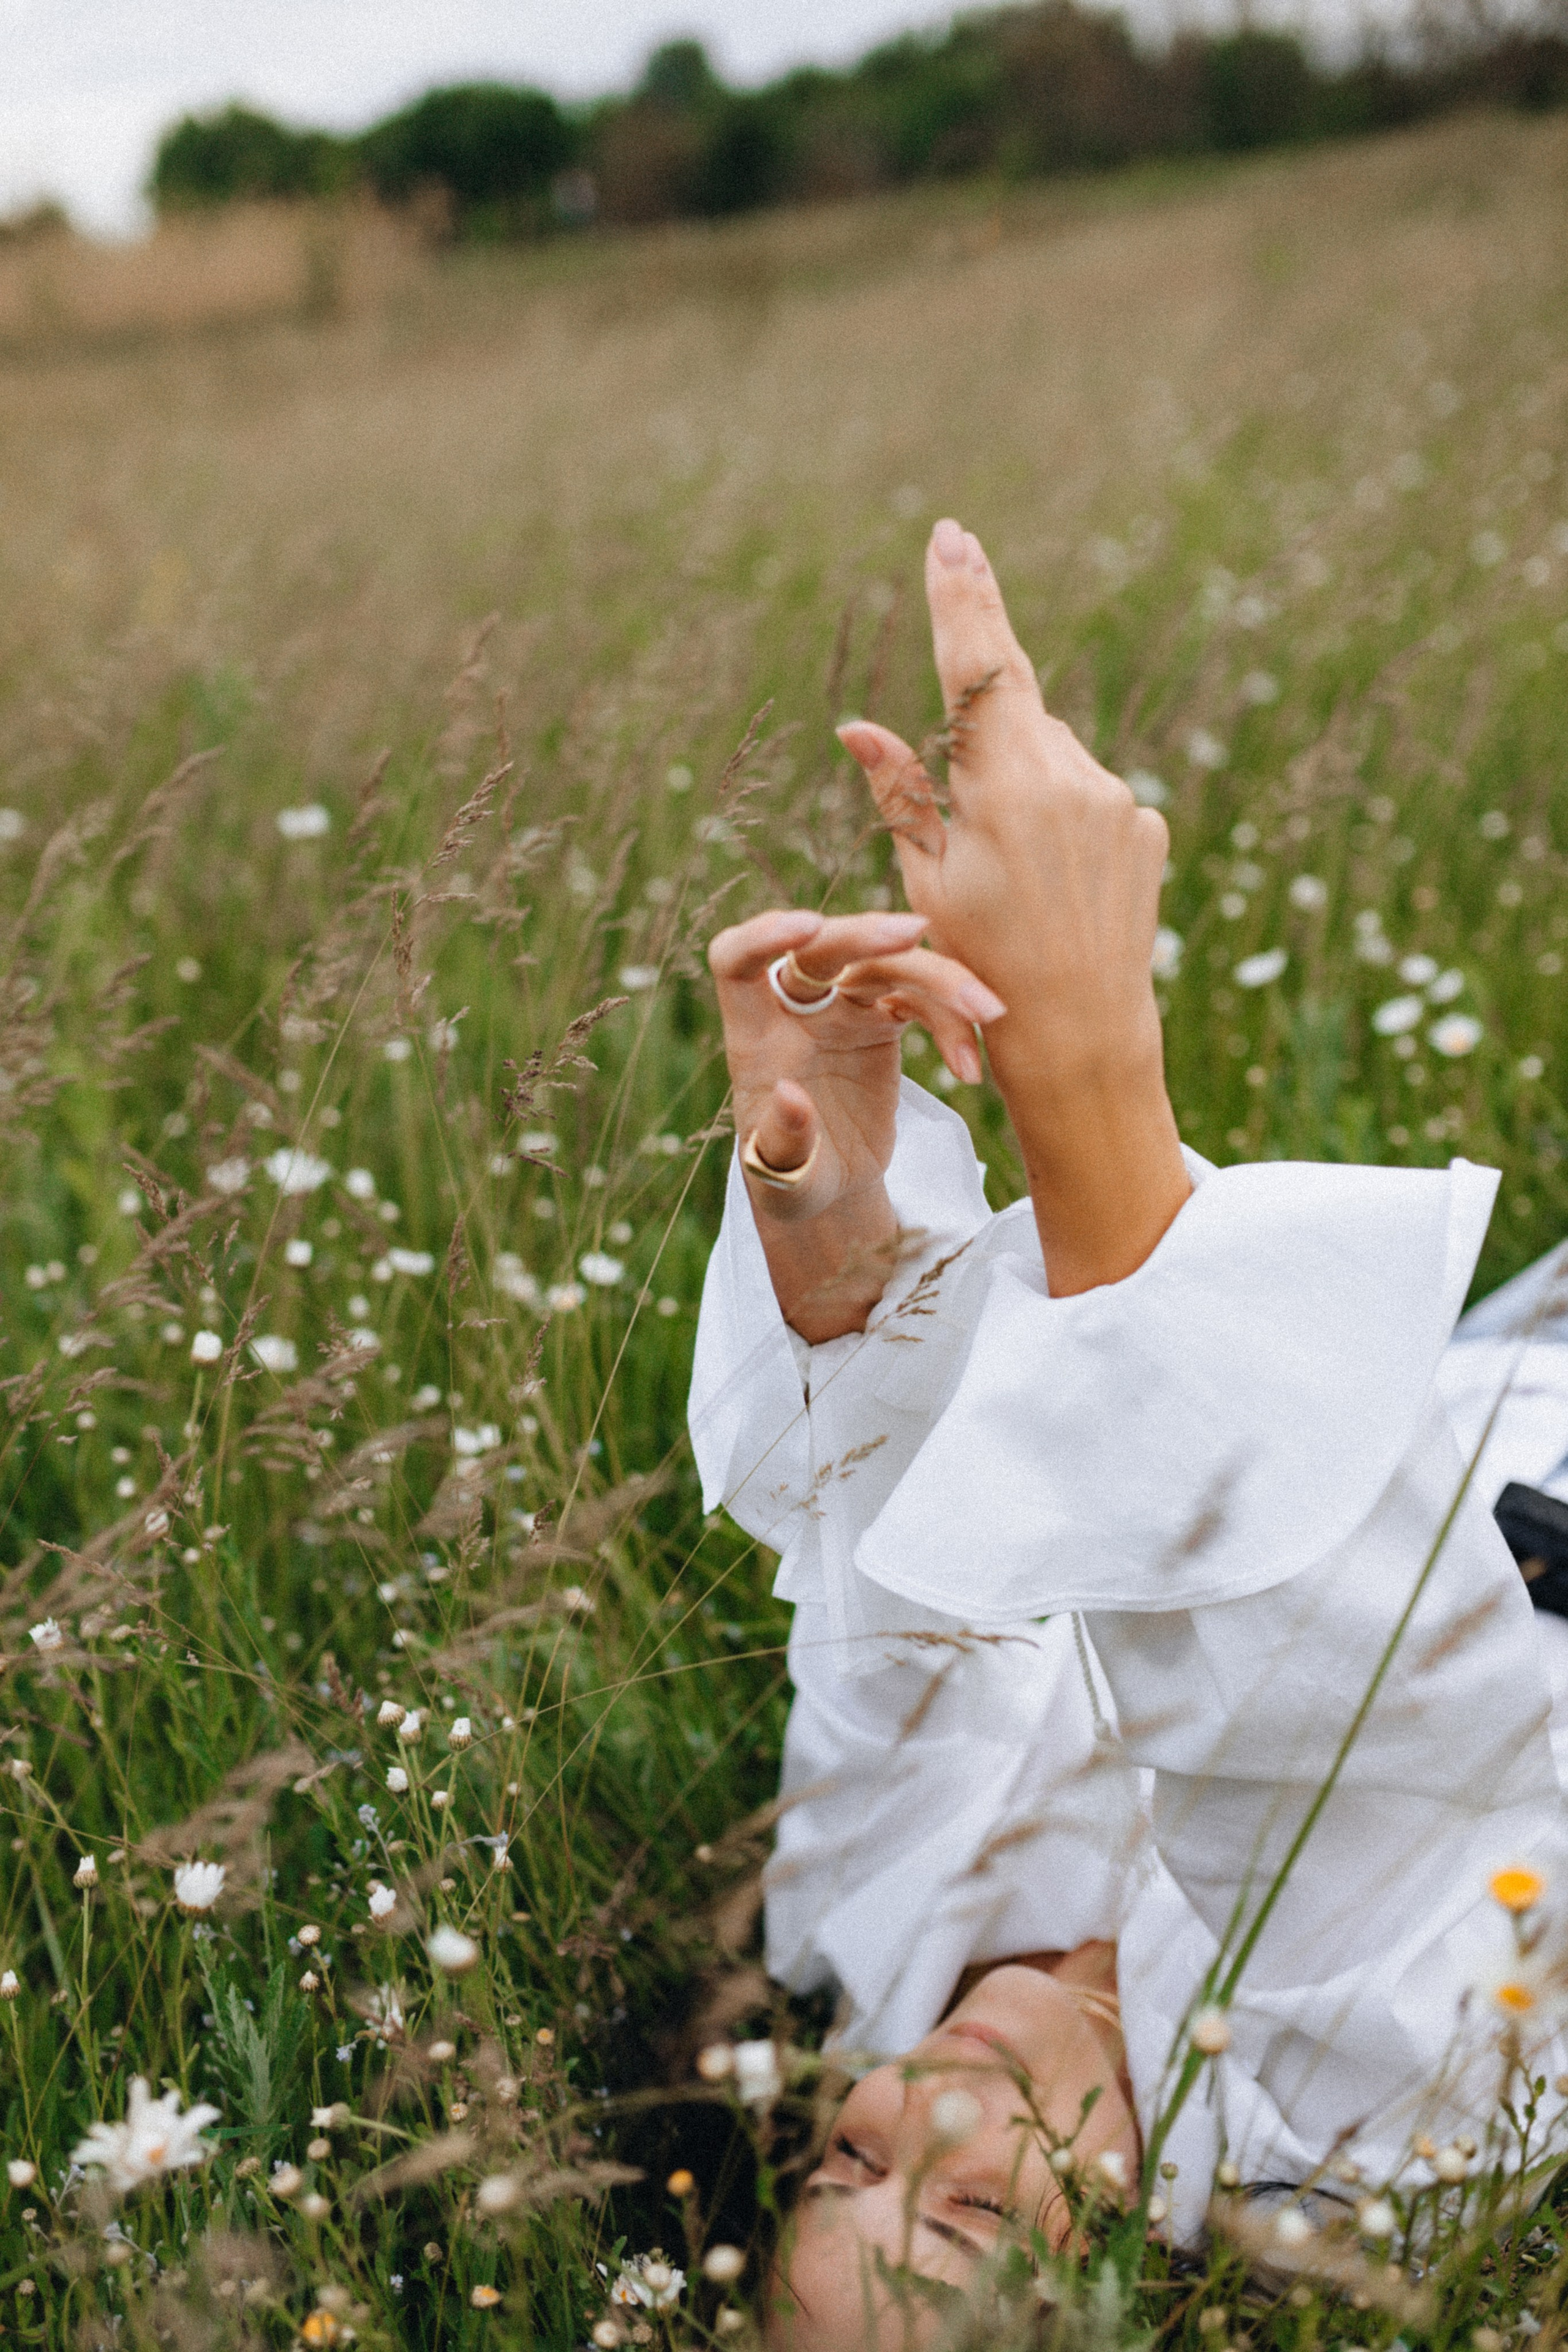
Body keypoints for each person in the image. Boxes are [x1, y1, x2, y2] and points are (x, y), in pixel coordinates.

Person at [688, 520, 1568, 2346]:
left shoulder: (869, 1947)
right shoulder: (1344, 2158)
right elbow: (1333, 1729)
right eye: (971, 2212)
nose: (924, 2103)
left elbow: (894, 1589)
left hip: (1501, 1375)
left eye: (850, 2164)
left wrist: (841, 1265)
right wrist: (1083, 1065)